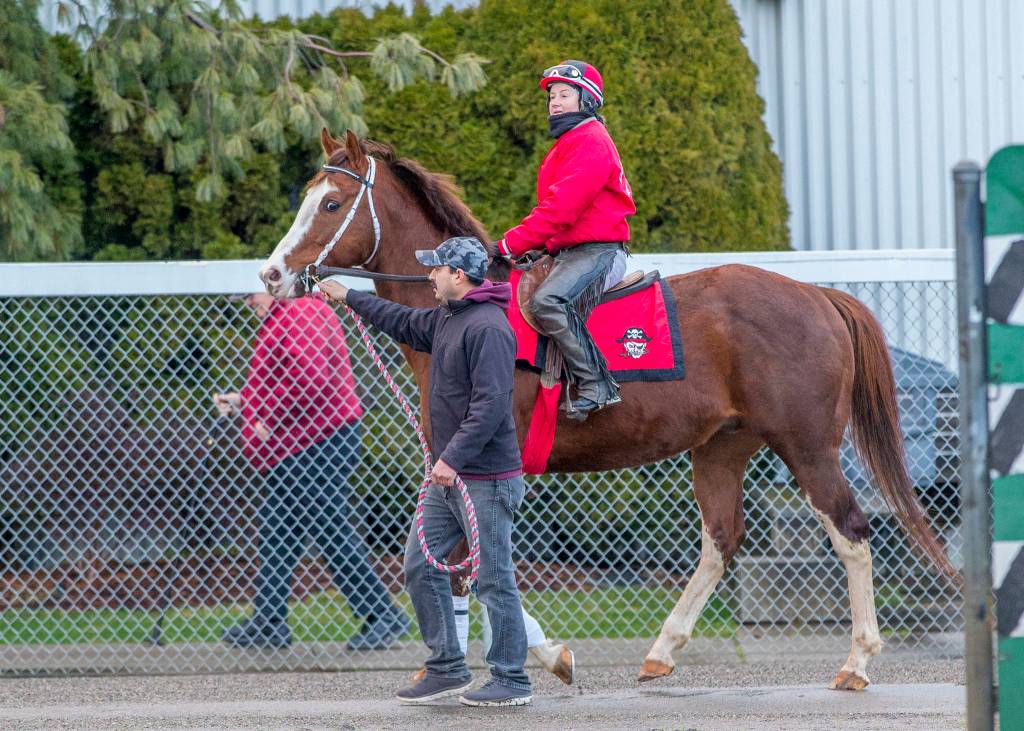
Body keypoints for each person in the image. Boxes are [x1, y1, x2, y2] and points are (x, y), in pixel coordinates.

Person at [319, 236, 533, 707]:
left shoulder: (489, 328)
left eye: (436, 269)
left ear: (459, 275)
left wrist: (450, 458)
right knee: (419, 564)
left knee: (494, 578)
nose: (429, 276)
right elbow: (405, 321)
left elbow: (492, 405)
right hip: (451, 478)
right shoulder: (446, 320)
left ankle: (512, 679)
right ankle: (446, 668)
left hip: (485, 479)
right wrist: (349, 295)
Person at [213, 292, 409, 651]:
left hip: (318, 443)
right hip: (303, 445)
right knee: (277, 532)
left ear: (277, 286)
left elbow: (310, 379)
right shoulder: (288, 317)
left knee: (329, 530)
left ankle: (383, 615)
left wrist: (266, 417)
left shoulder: (301, 313)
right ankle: (269, 622)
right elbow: (287, 379)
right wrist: (245, 401)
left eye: (249, 295)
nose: (247, 303)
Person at [497, 59, 636, 421]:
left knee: (547, 300)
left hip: (598, 252)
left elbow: (561, 210)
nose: (554, 103)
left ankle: (596, 384)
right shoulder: (571, 142)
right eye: (551, 97)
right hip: (573, 252)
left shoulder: (590, 140)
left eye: (564, 95)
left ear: (587, 100)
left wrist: (508, 245)